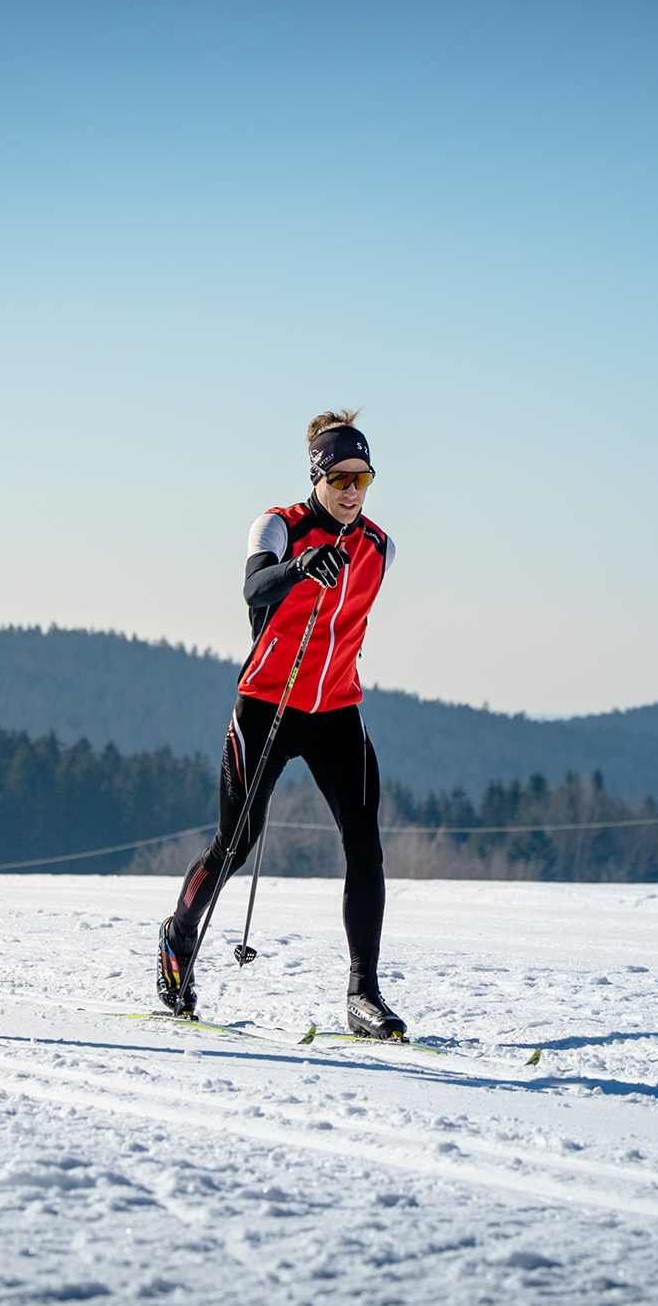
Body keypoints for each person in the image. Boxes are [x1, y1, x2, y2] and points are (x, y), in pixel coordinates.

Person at [157, 410, 404, 1038]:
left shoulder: (380, 546)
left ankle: (362, 993)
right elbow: (254, 589)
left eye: (363, 478)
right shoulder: (278, 526)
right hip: (269, 702)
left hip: (337, 709)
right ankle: (179, 936)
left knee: (365, 844)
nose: (352, 490)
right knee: (235, 841)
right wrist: (300, 567)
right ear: (317, 476)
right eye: (341, 478)